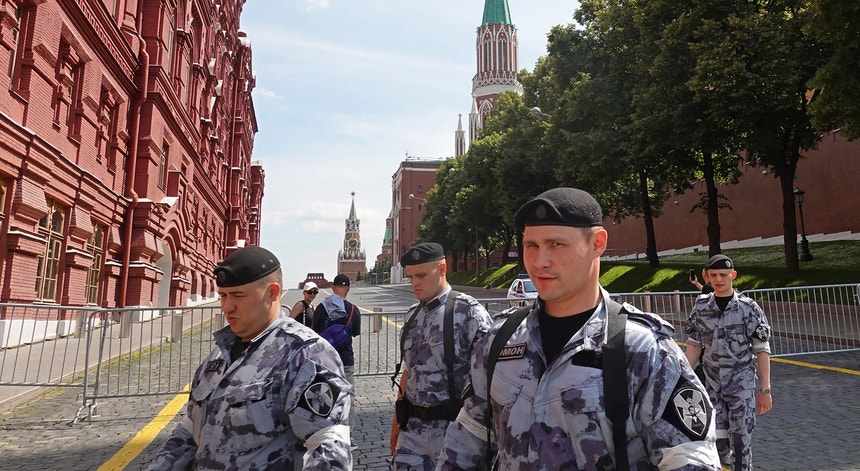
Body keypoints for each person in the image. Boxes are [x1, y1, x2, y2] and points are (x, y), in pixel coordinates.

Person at [436, 187, 721, 470]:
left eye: (556, 245)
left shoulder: (643, 349)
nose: (539, 261)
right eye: (531, 246)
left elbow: (689, 460)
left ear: (597, 243)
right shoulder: (498, 340)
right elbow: (466, 442)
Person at [148, 246, 352, 470]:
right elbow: (191, 428)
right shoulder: (220, 354)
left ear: (273, 292)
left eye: (238, 296)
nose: (227, 306)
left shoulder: (306, 354)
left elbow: (329, 449)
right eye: (223, 296)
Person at [389, 242, 492, 469]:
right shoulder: (411, 317)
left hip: (454, 431)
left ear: (443, 268)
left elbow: (489, 379)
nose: (414, 283)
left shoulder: (469, 312)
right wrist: (397, 424)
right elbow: (409, 372)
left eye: (422, 275)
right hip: (413, 432)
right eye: (411, 277)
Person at [685, 254, 772, 471]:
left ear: (733, 275)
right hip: (712, 384)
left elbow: (761, 350)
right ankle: (725, 459)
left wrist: (765, 389)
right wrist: (684, 378)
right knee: (716, 439)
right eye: (713, 275)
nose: (719, 279)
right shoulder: (701, 307)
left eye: (724, 275)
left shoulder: (748, 308)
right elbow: (694, 343)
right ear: (707, 277)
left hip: (741, 384)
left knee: (741, 440)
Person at [312, 273, 360, 449]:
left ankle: (327, 434)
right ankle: (348, 437)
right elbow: (354, 332)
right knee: (348, 397)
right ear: (348, 288)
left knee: (325, 397)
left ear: (332, 288)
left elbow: (314, 331)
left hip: (325, 360)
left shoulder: (321, 308)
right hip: (346, 360)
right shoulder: (354, 310)